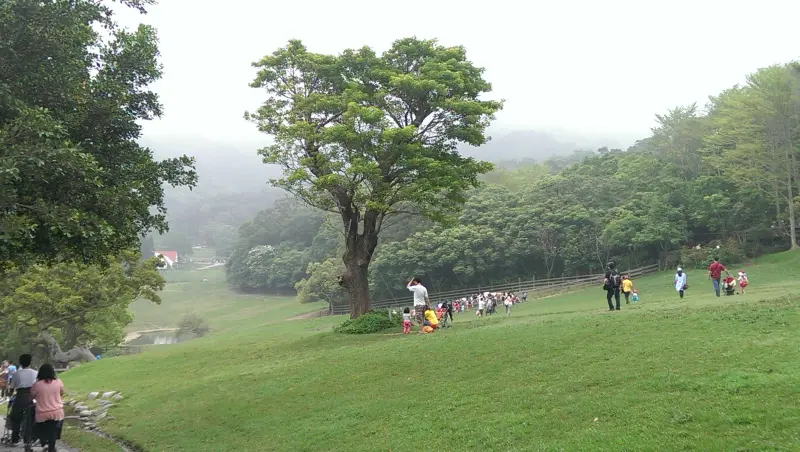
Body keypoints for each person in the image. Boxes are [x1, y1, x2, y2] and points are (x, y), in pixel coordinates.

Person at [31, 364, 64, 452]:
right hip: (57, 412)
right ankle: (51, 447)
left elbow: (31, 397)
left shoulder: (37, 385)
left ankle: (44, 442)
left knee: (37, 427)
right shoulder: (59, 382)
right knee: (53, 429)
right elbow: (61, 393)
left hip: (42, 413)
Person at [9, 354, 36, 445]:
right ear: (30, 362)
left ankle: (15, 438)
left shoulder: (16, 374)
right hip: (31, 396)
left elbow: (12, 388)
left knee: (16, 417)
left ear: (20, 363)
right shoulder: (35, 373)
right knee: (31, 416)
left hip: (20, 396)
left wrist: (10, 394)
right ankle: (29, 438)